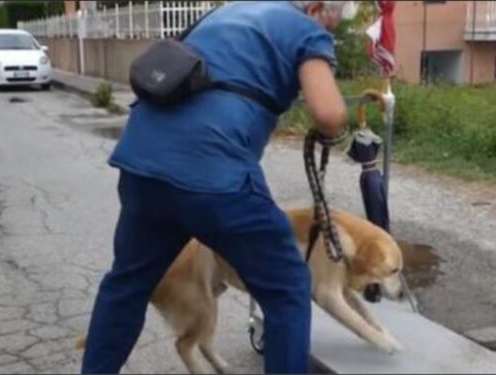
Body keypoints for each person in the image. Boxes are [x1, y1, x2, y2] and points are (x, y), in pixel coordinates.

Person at [82, 1, 354, 373]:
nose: (334, 31)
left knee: (126, 284)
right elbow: (327, 113)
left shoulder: (226, 12)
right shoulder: (305, 30)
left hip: (142, 163)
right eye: (337, 20)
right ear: (319, 6)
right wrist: (339, 121)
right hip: (214, 179)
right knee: (288, 287)